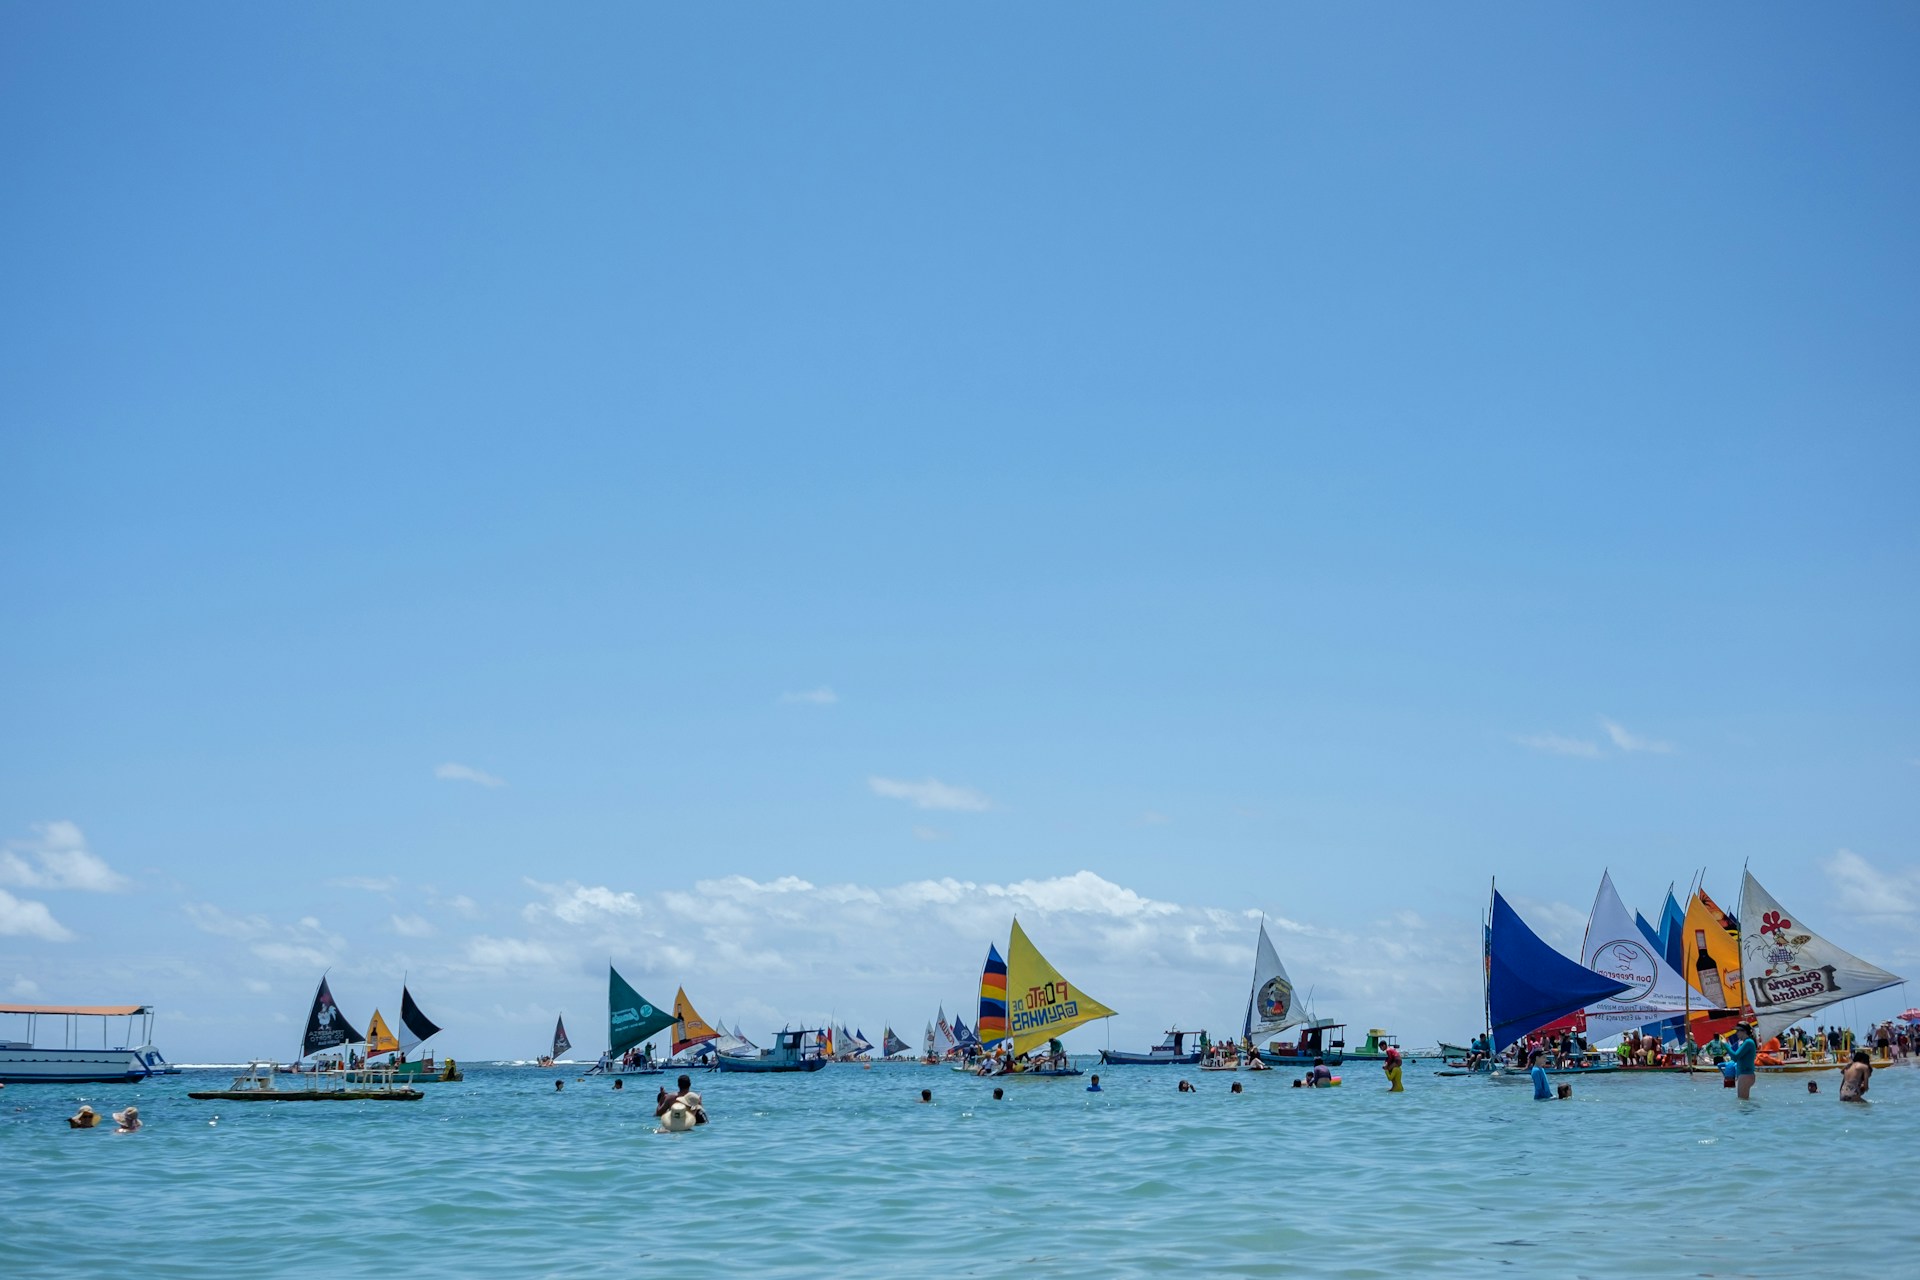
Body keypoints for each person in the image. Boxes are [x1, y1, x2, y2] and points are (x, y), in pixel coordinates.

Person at [1729, 1023, 1759, 1100]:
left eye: (1738, 1031)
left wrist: (1725, 1045)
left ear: (1744, 1031)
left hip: (1746, 1075)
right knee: (1743, 1102)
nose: (1736, 1033)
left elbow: (1735, 1056)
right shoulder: (1747, 1042)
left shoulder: (1748, 1042)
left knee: (1743, 1101)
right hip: (1745, 1075)